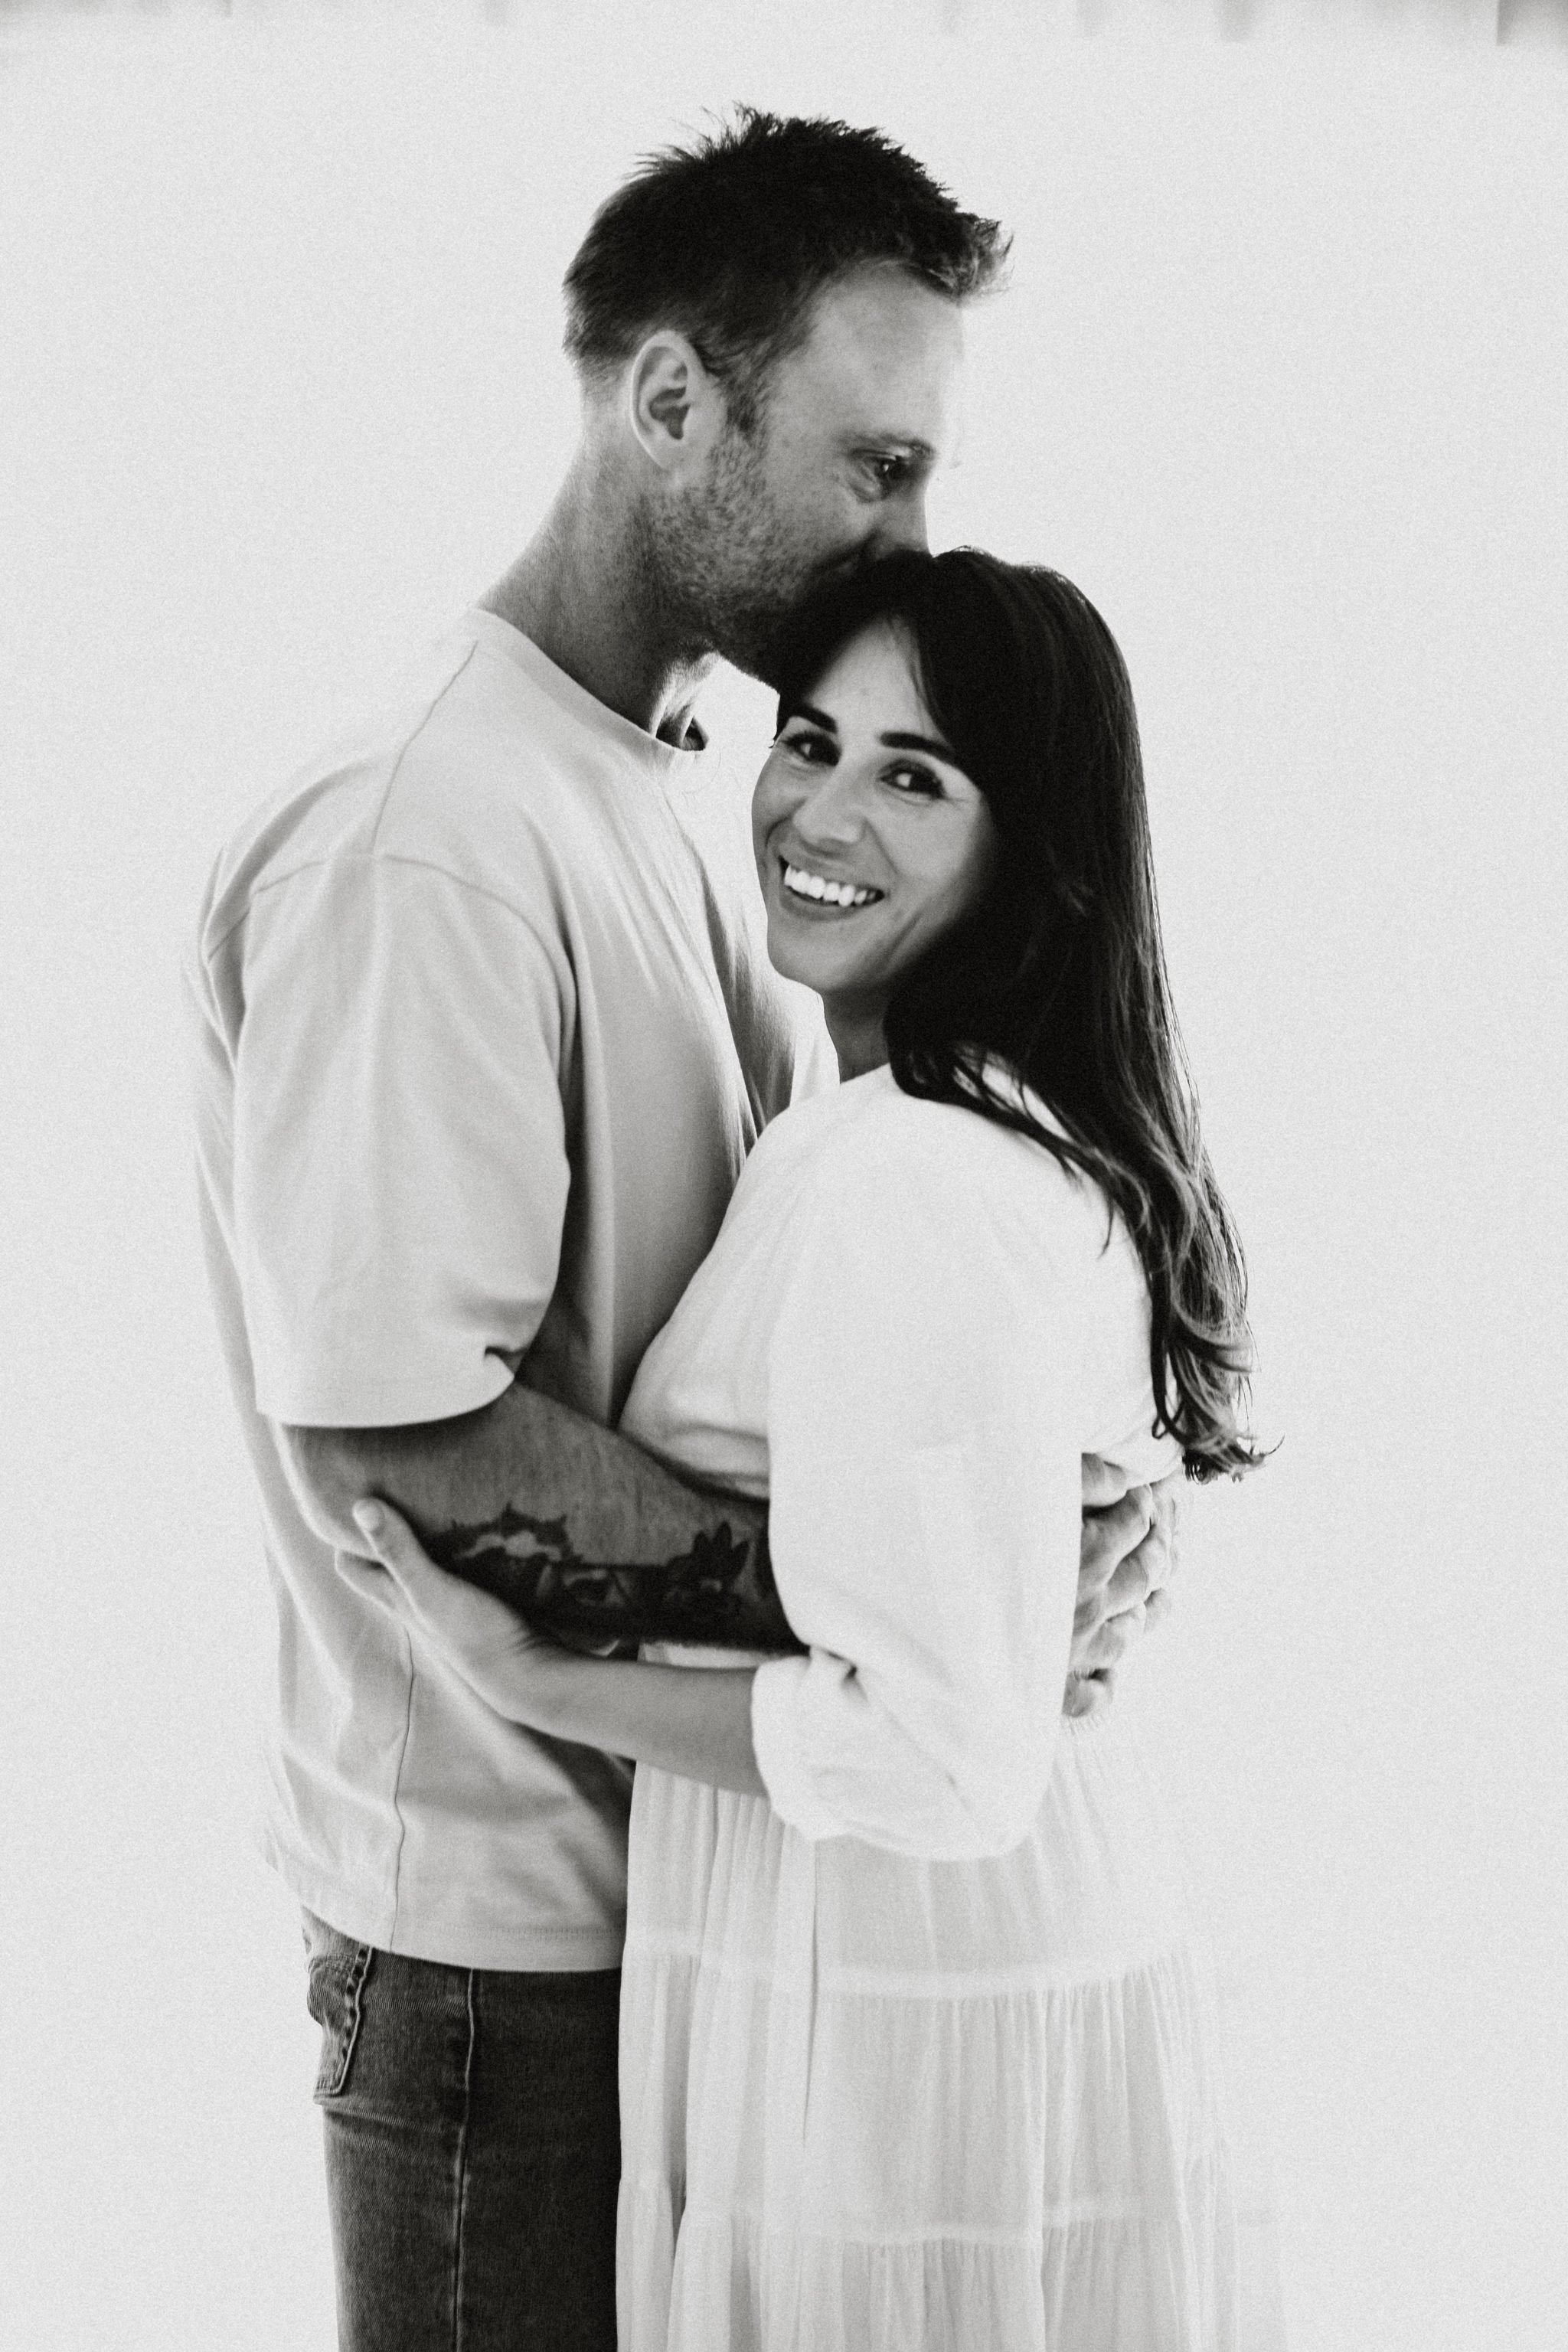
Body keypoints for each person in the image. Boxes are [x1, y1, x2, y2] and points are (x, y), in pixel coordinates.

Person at [187, 115, 1174, 2351]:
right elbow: (410, 1447)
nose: (909, 535)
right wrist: (942, 1610)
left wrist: (1025, 1536)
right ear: (668, 405)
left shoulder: (668, 786)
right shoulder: (429, 836)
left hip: (683, 1917)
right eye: (875, 465)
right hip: (493, 1972)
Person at [346, 547, 1269, 2350]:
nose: (819, 809)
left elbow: (942, 1757)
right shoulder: (963, 1131)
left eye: (914, 776)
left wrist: (539, 1674)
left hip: (900, 1992)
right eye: (811, 740)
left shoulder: (909, 1173)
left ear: (1039, 850)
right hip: (952, 1959)